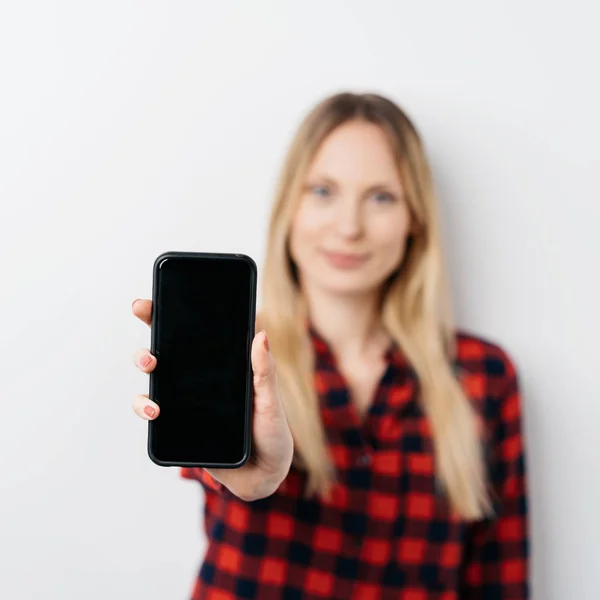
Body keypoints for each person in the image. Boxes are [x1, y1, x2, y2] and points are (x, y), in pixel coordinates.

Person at [131, 92, 529, 599]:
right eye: (323, 190)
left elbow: (500, 581)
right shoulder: (238, 352)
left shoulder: (483, 376)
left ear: (416, 219)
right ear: (289, 207)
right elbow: (221, 474)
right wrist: (251, 474)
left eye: (382, 196)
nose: (349, 227)